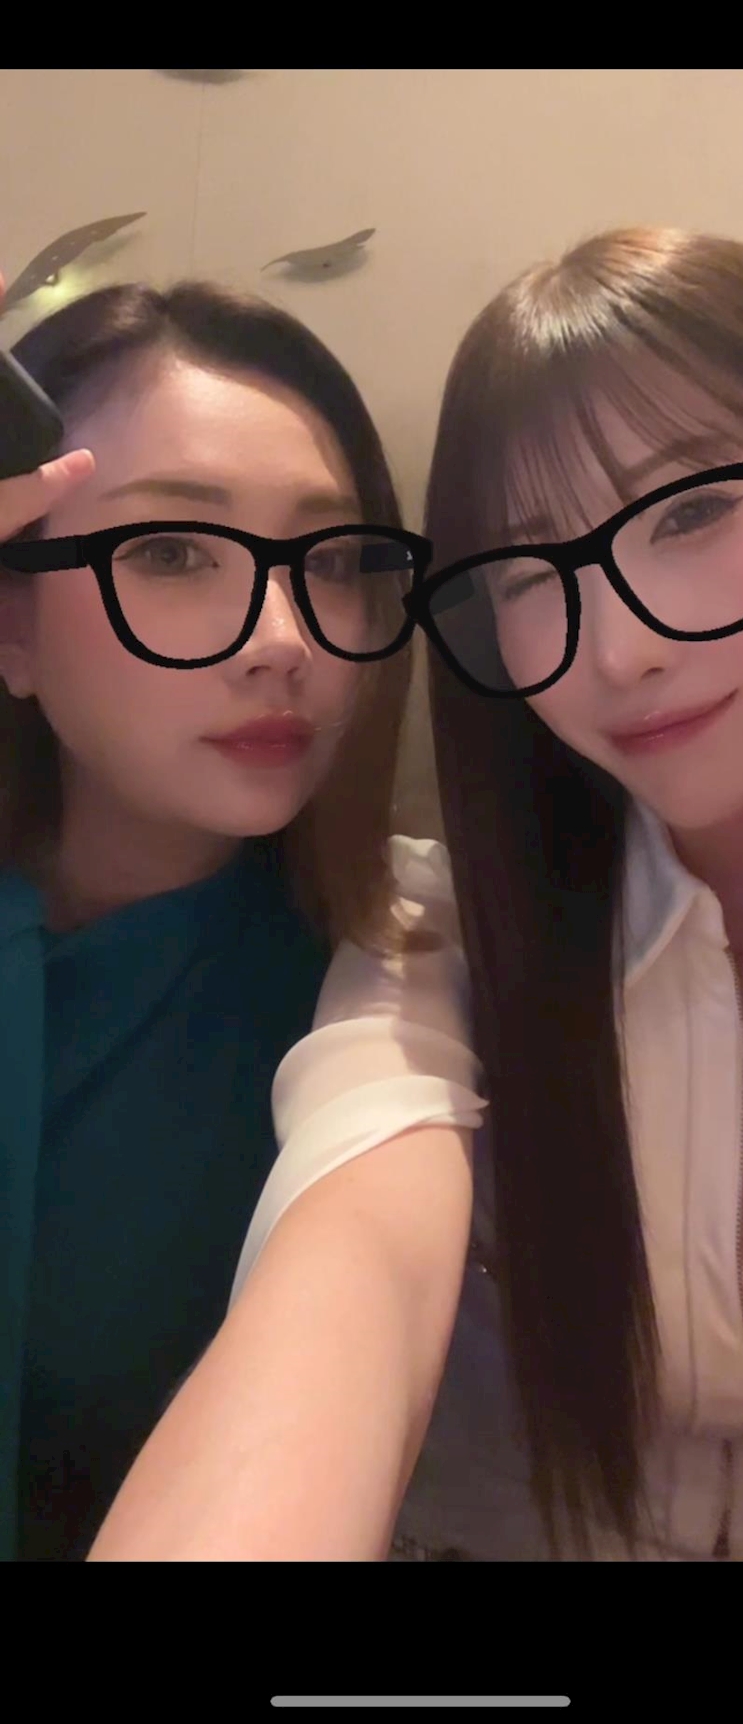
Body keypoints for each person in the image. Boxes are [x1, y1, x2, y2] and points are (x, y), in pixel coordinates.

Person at [0, 273, 483, 1564]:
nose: (285, 638)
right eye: (171, 551)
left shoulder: (394, 976)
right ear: (11, 619)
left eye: (331, 562)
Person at [384, 225, 743, 1560]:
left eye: (690, 510)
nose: (623, 649)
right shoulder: (449, 943)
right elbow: (344, 1268)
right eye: (531, 573)